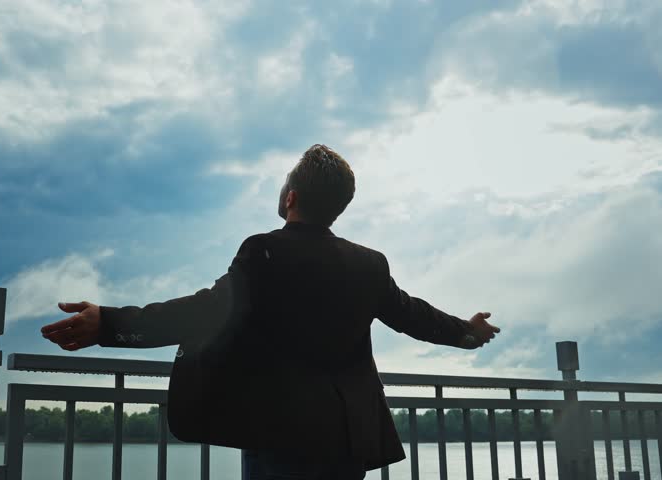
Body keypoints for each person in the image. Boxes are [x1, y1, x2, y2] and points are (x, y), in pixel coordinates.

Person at [41, 144, 501, 480]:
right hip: (349, 439)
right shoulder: (369, 264)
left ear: (291, 198)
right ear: (339, 207)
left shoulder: (264, 253)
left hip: (284, 438)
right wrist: (467, 331)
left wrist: (109, 323)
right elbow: (413, 316)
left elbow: (204, 312)